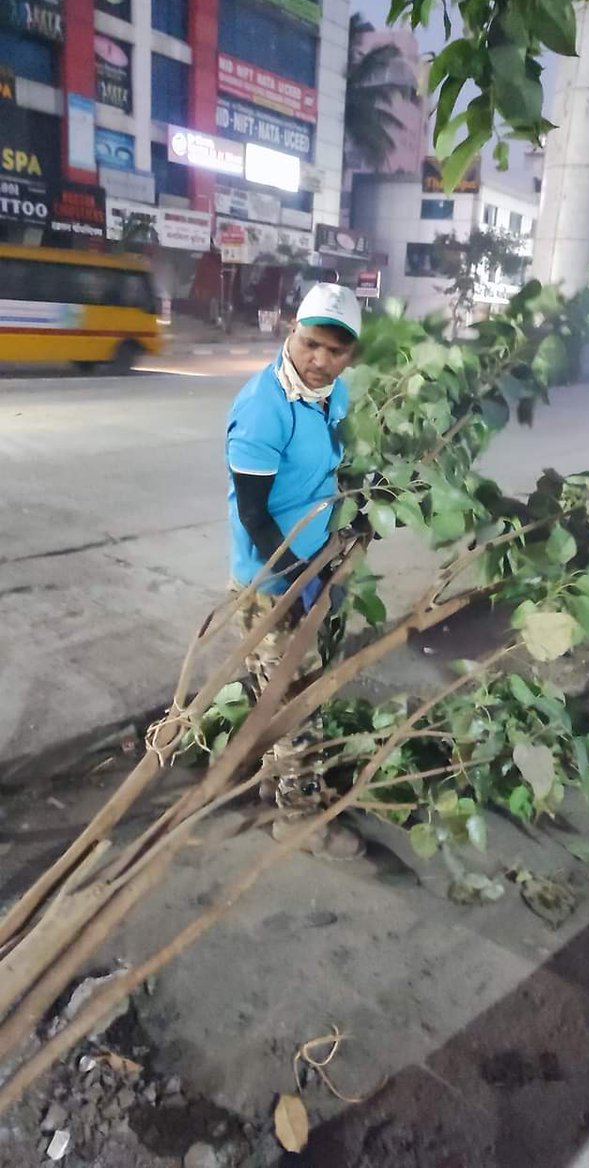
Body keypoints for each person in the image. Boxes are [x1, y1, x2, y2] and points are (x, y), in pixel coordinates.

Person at [226, 283, 364, 861]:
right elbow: (255, 514)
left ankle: (268, 785)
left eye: (335, 351)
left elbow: (339, 470)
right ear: (290, 331)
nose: (319, 361)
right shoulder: (264, 406)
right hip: (273, 584)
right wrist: (299, 575)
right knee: (298, 708)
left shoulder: (336, 395)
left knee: (279, 699)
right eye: (310, 344)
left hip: (315, 570)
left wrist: (360, 514)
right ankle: (299, 820)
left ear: (349, 355)